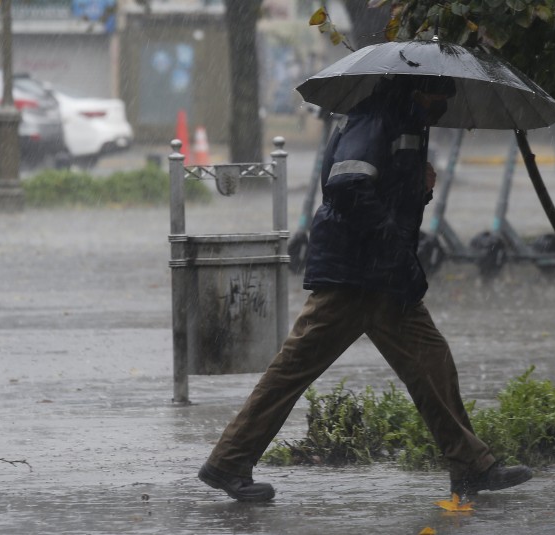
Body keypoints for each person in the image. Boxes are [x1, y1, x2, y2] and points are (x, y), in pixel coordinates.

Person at [198, 74, 533, 502]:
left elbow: (384, 192)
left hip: (384, 277)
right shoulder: (375, 118)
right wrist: (393, 245)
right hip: (354, 275)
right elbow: (348, 185)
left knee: (433, 362)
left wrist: (418, 189)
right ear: (417, 89)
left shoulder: (407, 120)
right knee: (292, 371)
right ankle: (228, 463)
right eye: (439, 94)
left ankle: (471, 465)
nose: (444, 103)